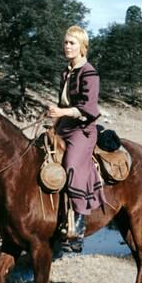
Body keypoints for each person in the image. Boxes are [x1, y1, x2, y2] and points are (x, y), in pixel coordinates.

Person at [47, 25, 105, 252]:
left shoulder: (89, 72)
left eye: (72, 43)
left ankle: (78, 229)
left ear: (82, 46)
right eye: (65, 42)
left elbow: (87, 107)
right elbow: (63, 103)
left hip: (83, 129)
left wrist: (62, 112)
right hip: (63, 125)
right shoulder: (66, 72)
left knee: (72, 166)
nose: (67, 46)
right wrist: (54, 119)